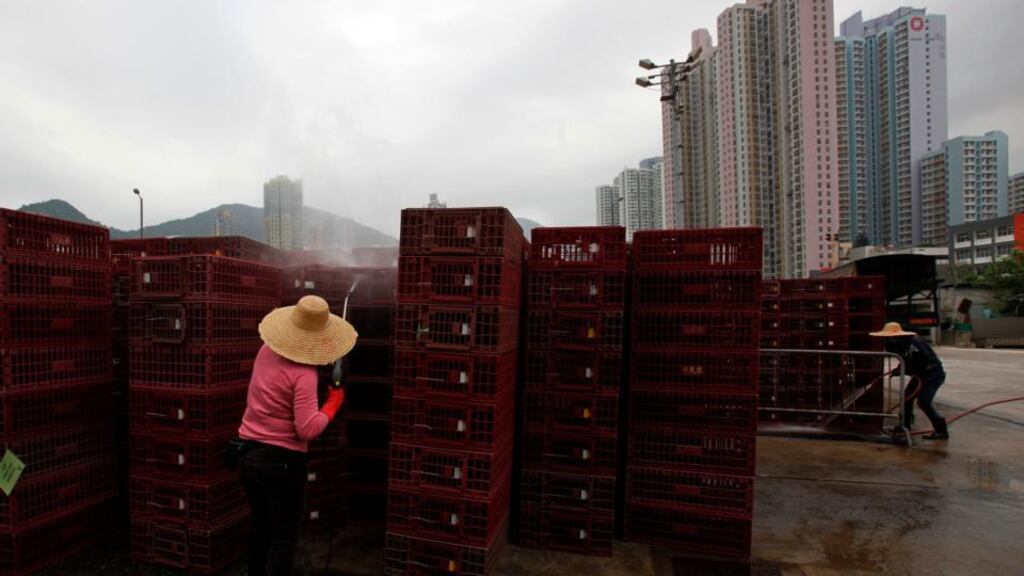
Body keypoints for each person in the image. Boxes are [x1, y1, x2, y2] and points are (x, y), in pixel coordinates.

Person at [237, 295, 358, 575]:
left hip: (248, 454)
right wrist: (331, 405)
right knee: (283, 539)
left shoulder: (265, 350)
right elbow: (307, 428)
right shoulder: (304, 375)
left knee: (260, 528)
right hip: (281, 464)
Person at [870, 322, 949, 440]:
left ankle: (941, 430)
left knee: (924, 401)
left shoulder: (914, 343)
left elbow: (922, 361)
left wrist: (907, 370)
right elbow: (906, 360)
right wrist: (898, 370)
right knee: (906, 398)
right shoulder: (901, 344)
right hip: (920, 374)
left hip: (932, 374)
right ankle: (904, 425)